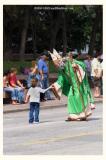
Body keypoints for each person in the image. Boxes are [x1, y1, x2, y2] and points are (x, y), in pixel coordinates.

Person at [49, 50, 95, 121]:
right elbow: (61, 78)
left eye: (56, 63)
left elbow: (81, 66)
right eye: (55, 64)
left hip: (79, 84)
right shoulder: (61, 68)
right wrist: (55, 85)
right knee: (71, 97)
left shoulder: (70, 63)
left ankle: (82, 113)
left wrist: (76, 66)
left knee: (78, 97)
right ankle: (73, 115)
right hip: (73, 86)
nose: (56, 65)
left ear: (59, 60)